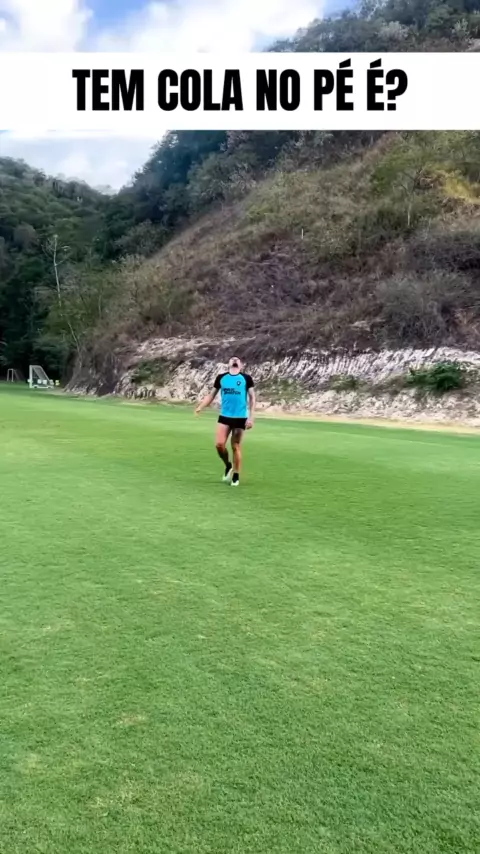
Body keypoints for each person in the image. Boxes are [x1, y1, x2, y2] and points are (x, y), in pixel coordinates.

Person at [195, 356, 255, 487]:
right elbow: (211, 395)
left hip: (240, 417)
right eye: (232, 359)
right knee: (219, 445)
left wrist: (251, 417)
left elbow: (252, 398)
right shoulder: (221, 378)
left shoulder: (246, 378)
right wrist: (201, 406)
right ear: (228, 364)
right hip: (225, 417)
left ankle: (236, 475)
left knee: (235, 446)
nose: (235, 360)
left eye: (237, 360)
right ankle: (228, 465)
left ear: (241, 365)